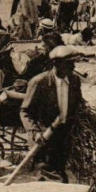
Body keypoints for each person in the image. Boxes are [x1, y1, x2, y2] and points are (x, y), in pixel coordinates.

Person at [20, 46, 84, 183]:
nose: (73, 66)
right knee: (54, 176)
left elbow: (78, 104)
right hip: (44, 136)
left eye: (73, 63)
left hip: (64, 135)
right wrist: (35, 132)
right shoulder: (39, 82)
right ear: (56, 64)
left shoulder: (74, 81)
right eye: (69, 63)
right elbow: (25, 111)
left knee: (57, 170)